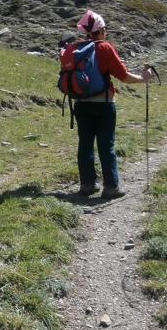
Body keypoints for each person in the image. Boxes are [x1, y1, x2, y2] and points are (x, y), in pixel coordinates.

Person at [69, 10, 155, 199]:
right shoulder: (104, 48)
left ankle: (87, 185)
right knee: (106, 145)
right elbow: (123, 76)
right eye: (105, 29)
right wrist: (143, 78)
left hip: (80, 104)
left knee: (85, 145)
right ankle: (111, 187)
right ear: (100, 30)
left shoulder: (76, 49)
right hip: (103, 103)